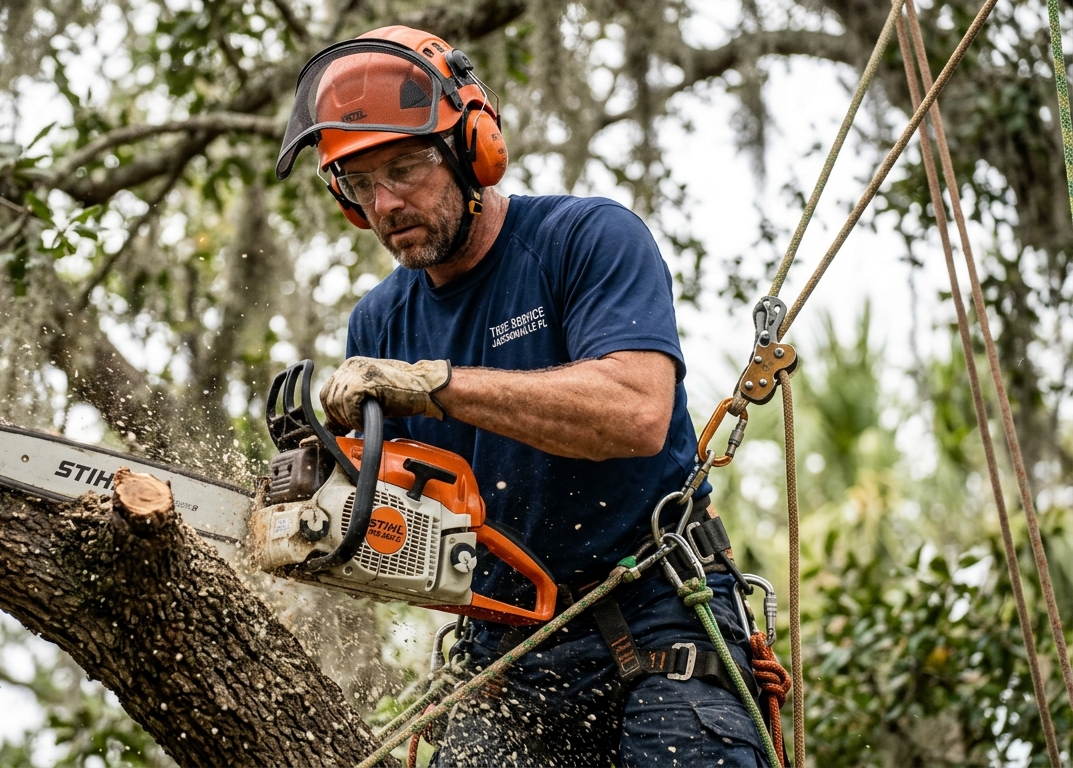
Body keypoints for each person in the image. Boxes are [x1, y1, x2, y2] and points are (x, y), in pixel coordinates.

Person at [276, 25, 773, 767]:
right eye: (359, 184)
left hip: (654, 608)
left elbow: (636, 413)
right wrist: (331, 497)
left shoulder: (586, 239)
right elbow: (416, 517)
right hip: (508, 647)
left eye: (405, 168)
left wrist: (437, 386)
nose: (385, 203)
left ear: (472, 148)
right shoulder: (379, 323)